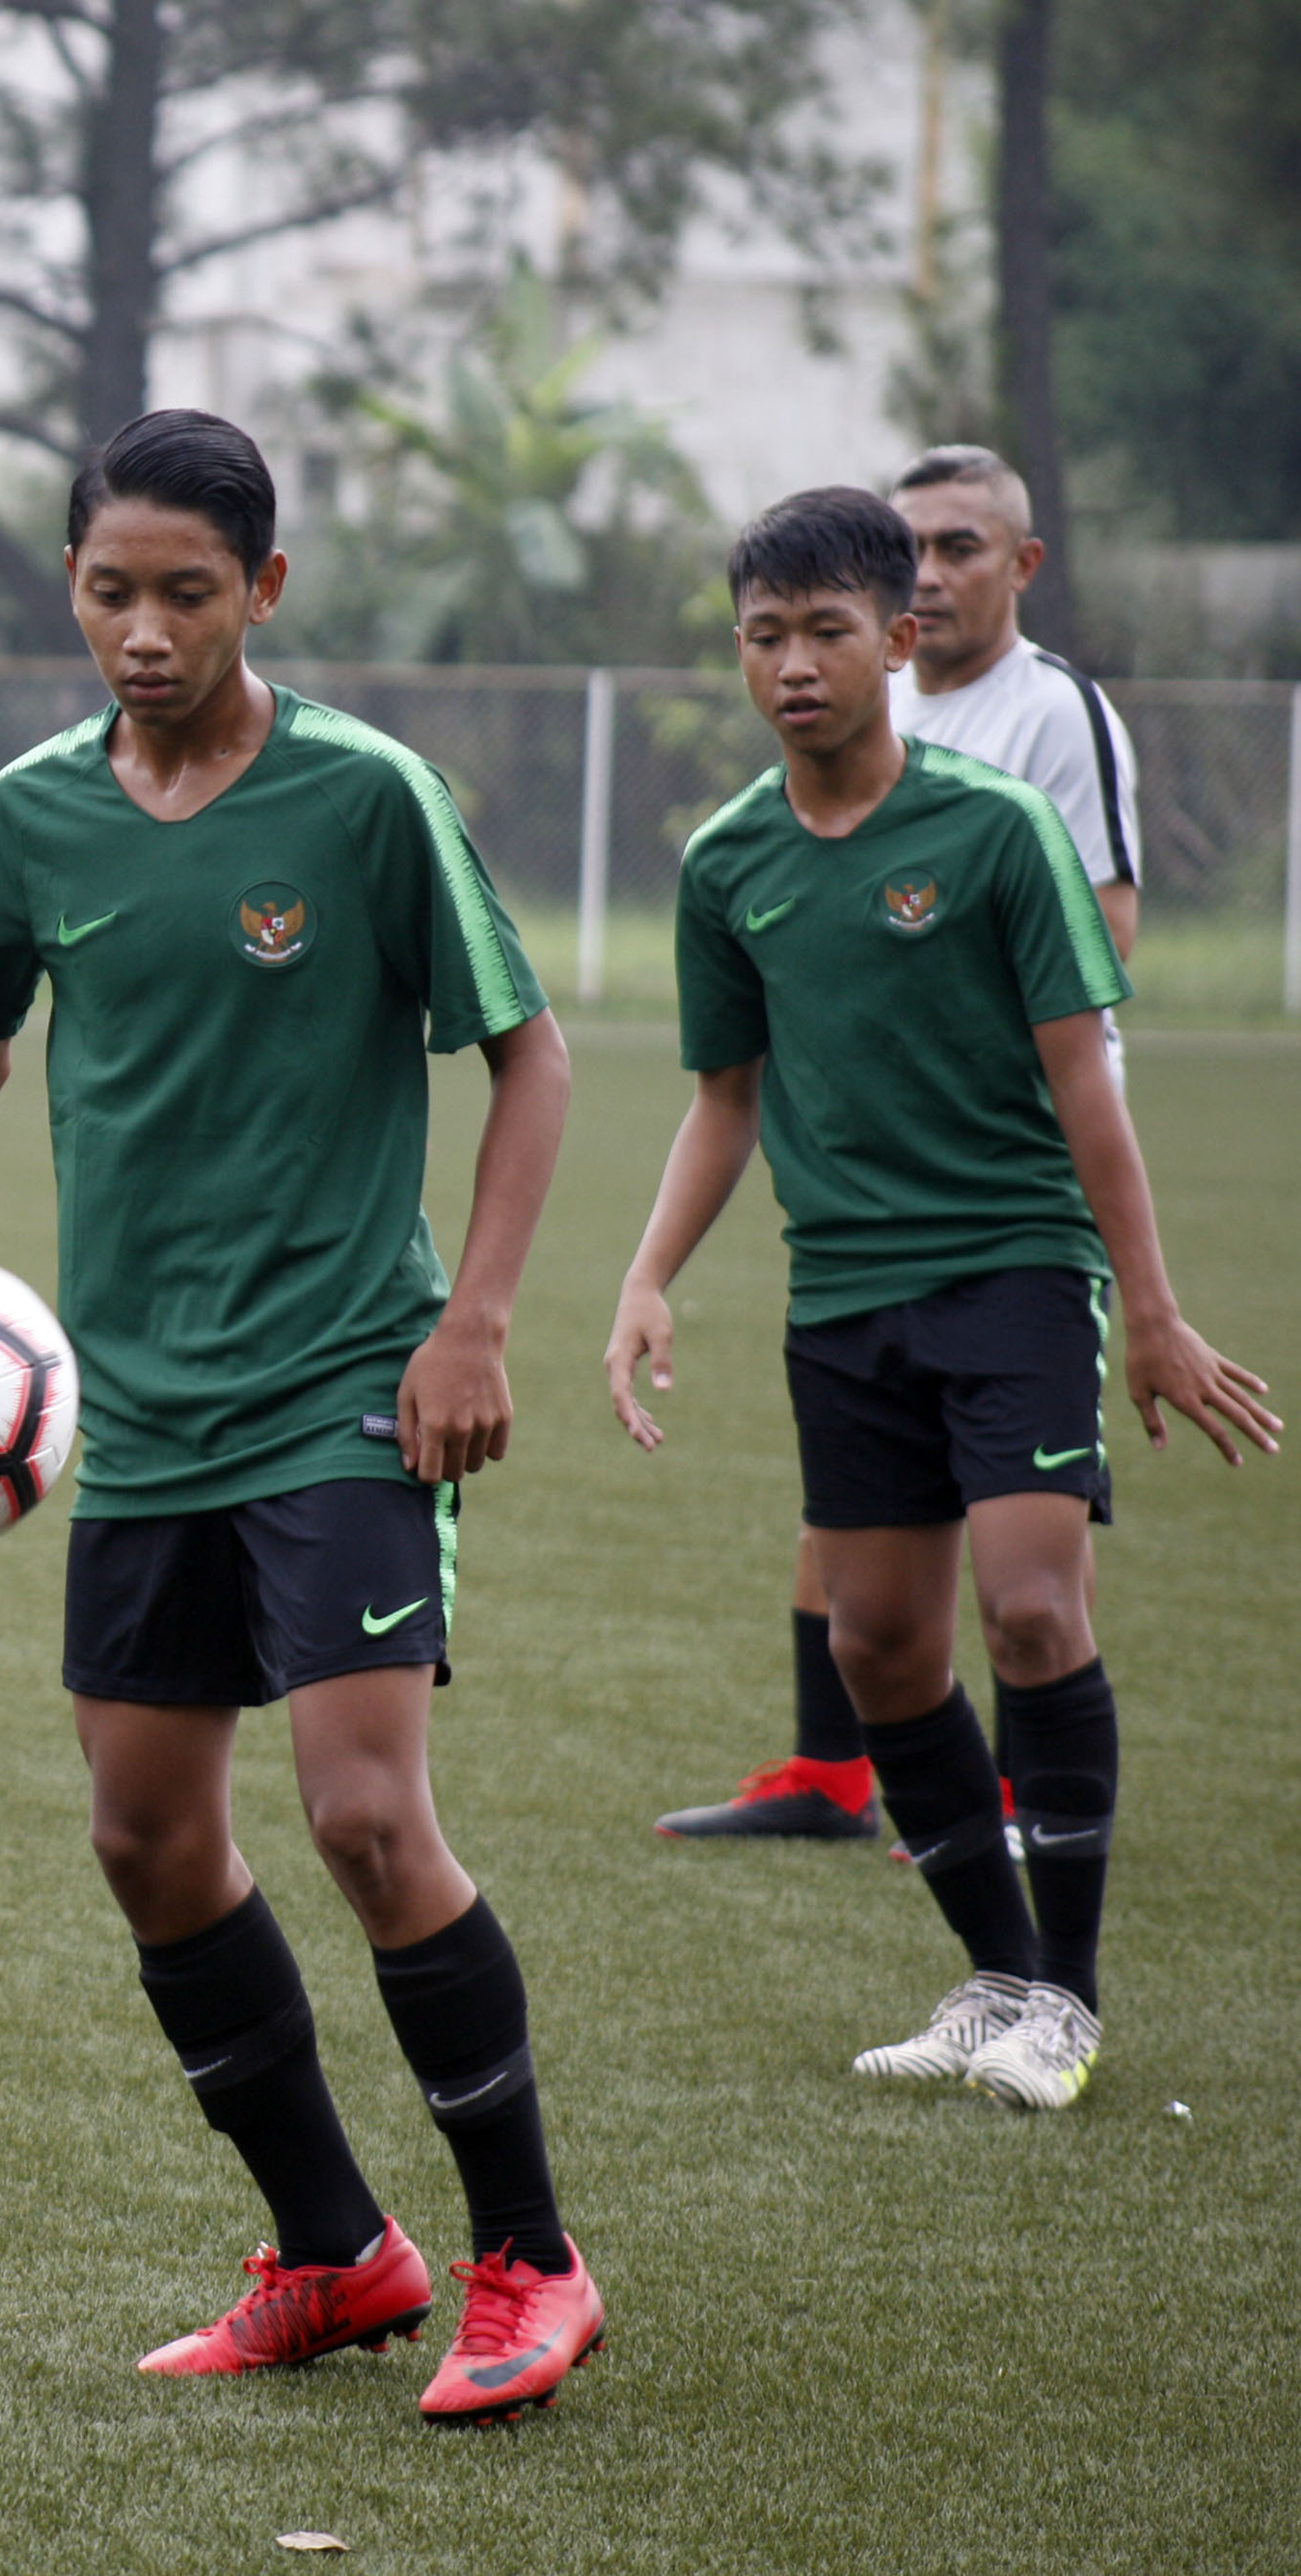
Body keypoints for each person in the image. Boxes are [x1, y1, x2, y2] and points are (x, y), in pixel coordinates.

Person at [0, 410, 598, 2427]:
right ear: (68, 587)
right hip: (126, 1408)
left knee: (362, 1815)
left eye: (186, 594)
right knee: (147, 1840)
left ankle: (529, 2260)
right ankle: (332, 2250)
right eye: (108, 591)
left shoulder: (366, 798)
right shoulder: (32, 814)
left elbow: (530, 1054)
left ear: (264, 592)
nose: (142, 631)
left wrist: (469, 1322)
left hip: (337, 1385)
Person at [606, 487, 1273, 2111]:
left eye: (829, 632)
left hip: (1013, 1271)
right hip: (842, 1299)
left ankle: (1073, 1997)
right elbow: (724, 1096)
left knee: (1033, 1607)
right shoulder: (729, 861)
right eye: (765, 636)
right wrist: (644, 1275)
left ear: (900, 643)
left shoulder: (992, 829)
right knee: (880, 1642)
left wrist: (1156, 1311)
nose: (795, 665)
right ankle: (991, 1969)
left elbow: (1085, 1085)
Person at [655, 443, 1150, 1843]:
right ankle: (837, 1774)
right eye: (915, 539)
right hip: (857, 1225)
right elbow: (727, 1086)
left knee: (1029, 1576)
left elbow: (1095, 946)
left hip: (1015, 1182)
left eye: (957, 544)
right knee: (871, 1571)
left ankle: (1030, 1822)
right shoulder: (743, 845)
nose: (932, 564)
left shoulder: (1048, 723)